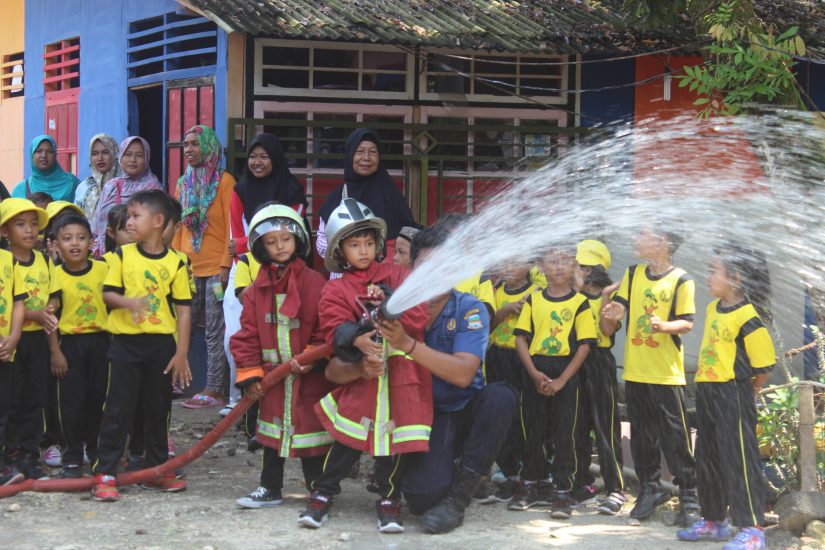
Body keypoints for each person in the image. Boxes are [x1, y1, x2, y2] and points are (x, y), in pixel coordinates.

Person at [298, 197, 429, 533]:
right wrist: (355, 339)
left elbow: (419, 318)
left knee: (393, 442)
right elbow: (331, 326)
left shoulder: (398, 275)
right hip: (363, 380)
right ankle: (323, 493)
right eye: (354, 245)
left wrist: (391, 303)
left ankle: (389, 499)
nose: (363, 251)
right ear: (340, 251)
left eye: (368, 243)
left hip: (400, 376)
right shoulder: (335, 288)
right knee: (347, 440)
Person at [377, 225, 518, 534]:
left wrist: (409, 345)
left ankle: (458, 498)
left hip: (462, 410)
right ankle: (455, 471)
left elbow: (463, 374)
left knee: (500, 398)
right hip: (421, 418)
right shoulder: (394, 309)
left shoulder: (470, 309)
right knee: (421, 498)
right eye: (426, 266)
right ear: (412, 269)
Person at [230, 204, 333, 508]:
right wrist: (250, 376)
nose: (279, 246)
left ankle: (318, 489)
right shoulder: (254, 291)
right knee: (271, 438)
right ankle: (269, 488)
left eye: (285, 239)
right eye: (271, 241)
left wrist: (313, 357)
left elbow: (325, 326)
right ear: (260, 246)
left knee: (312, 437)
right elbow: (246, 337)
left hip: (309, 377)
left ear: (298, 240)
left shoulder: (315, 283)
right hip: (271, 380)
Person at [91, 190, 192, 502]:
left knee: (158, 409)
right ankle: (105, 471)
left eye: (136, 216)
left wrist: (182, 352)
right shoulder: (122, 256)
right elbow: (107, 295)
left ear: (158, 221)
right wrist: (128, 302)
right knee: (118, 409)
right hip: (125, 345)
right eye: (129, 217)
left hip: (161, 346)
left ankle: (157, 469)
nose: (130, 221)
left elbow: (184, 309)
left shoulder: (177, 263)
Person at [675, 244, 775, 550]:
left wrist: (751, 391)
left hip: (734, 392)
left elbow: (763, 365)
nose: (707, 277)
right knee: (708, 457)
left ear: (735, 278)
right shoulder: (712, 308)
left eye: (712, 271)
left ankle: (753, 528)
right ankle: (714, 521)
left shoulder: (749, 316)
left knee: (739, 459)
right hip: (707, 391)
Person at [601, 225, 698, 525]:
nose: (636, 241)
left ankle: (690, 497)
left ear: (662, 242)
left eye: (642, 236)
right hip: (636, 371)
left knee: (676, 437)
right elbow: (622, 307)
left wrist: (663, 326)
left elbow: (686, 323)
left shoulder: (681, 279)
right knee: (642, 436)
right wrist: (613, 312)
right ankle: (649, 490)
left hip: (667, 374)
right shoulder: (633, 274)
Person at [511, 244, 595, 519]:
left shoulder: (579, 303)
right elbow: (520, 338)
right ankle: (531, 484)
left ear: (574, 266)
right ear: (541, 266)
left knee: (565, 433)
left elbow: (584, 346)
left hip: (565, 374)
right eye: (552, 260)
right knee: (532, 429)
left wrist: (561, 380)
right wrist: (534, 374)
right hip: (535, 370)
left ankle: (562, 491)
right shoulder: (534, 300)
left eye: (565, 261)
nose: (559, 267)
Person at [172, 126, 235, 410]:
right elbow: (176, 226)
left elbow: (231, 226)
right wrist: (172, 263)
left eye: (195, 144)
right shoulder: (182, 183)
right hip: (186, 267)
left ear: (209, 147)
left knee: (214, 330)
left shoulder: (225, 182)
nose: (189, 149)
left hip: (215, 269)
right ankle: (177, 383)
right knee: (178, 325)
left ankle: (213, 389)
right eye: (186, 144)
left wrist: (225, 264)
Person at [475, 258, 542, 504]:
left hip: (522, 360)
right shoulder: (495, 292)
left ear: (529, 265)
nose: (509, 268)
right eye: (505, 263)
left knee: (525, 416)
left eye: (516, 263)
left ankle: (529, 477)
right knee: (501, 417)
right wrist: (503, 311)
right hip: (497, 357)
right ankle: (509, 474)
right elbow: (486, 328)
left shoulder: (536, 292)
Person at [1, 198, 59, 480]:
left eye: (34, 224)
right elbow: (14, 305)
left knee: (34, 398)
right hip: (13, 341)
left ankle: (29, 455)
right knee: (10, 400)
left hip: (37, 342)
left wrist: (50, 309)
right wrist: (35, 314)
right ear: (5, 231)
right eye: (20, 224)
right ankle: (9, 455)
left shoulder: (45, 261)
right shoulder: (6, 263)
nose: (29, 230)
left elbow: (55, 296)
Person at [48, 214, 109, 479]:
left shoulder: (103, 270)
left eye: (81, 238)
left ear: (91, 242)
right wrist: (56, 353)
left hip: (101, 344)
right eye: (67, 238)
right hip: (69, 345)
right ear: (56, 246)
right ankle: (71, 456)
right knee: (71, 402)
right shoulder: (55, 275)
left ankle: (97, 453)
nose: (75, 244)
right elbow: (49, 318)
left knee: (98, 399)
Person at [573, 240, 626, 515]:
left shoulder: (610, 299)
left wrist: (605, 297)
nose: (573, 271)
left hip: (599, 362)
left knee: (605, 426)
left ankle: (615, 488)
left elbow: (607, 331)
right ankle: (582, 482)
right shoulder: (572, 297)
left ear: (590, 270)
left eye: (578, 267)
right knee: (577, 426)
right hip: (573, 364)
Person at [316, 128, 416, 267]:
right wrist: (347, 256)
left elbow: (409, 235)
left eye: (373, 152)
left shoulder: (391, 195)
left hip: (384, 277)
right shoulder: (338, 196)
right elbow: (322, 239)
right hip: (345, 276)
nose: (366, 158)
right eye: (360, 151)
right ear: (350, 155)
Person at [229, 134, 308, 258]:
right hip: (251, 262)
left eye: (264, 157)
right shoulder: (241, 189)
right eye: (252, 157)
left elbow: (287, 228)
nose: (257, 162)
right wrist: (243, 264)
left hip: (288, 261)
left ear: (275, 158)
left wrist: (244, 244)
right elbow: (235, 233)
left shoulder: (292, 189)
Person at [90, 137, 162, 257]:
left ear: (146, 158)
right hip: (107, 254)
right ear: (120, 157)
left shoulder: (153, 189)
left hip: (142, 255)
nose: (132, 160)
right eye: (128, 155)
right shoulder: (110, 186)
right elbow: (96, 226)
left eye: (139, 155)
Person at [0, 223, 28, 485]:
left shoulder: (9, 260)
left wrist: (15, 336)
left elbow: (18, 302)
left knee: (3, 408)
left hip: (5, 349)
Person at [12, 135, 80, 203]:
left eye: (49, 151)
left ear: (55, 155)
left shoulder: (72, 182)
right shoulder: (21, 190)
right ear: (31, 155)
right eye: (38, 151)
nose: (44, 155)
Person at [75, 134, 121, 220]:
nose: (100, 158)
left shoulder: (123, 185)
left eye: (105, 152)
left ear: (113, 154)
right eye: (94, 154)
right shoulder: (84, 187)